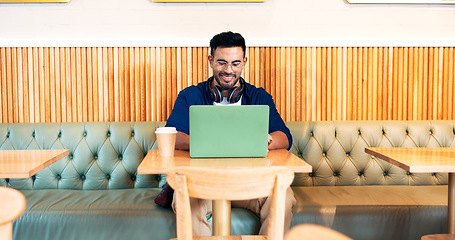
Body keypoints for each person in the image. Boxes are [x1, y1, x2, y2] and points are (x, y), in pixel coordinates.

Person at [164, 31, 296, 237]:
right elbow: (173, 136)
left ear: (244, 62)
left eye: (235, 63)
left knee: (284, 197)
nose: (228, 70)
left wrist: (262, 141)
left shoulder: (259, 96)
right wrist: (216, 143)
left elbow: (284, 137)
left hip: (251, 183)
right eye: (222, 63)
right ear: (211, 60)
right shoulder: (190, 96)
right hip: (202, 184)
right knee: (185, 199)